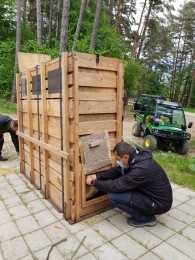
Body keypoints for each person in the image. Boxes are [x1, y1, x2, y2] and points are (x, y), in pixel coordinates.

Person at [86, 141, 172, 227]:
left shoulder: (140, 169)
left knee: (114, 196)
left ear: (125, 157)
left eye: (118, 159)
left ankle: (146, 219)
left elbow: (116, 186)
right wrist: (97, 176)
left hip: (159, 204)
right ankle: (143, 211)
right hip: (152, 196)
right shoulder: (136, 157)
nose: (117, 162)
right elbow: (117, 171)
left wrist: (94, 183)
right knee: (123, 185)